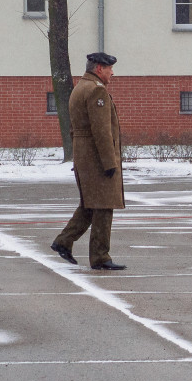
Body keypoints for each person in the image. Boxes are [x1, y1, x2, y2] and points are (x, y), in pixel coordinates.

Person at [51, 52, 126, 270]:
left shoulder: (80, 87)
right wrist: (109, 162)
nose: (112, 72)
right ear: (99, 68)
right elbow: (101, 131)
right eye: (109, 68)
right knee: (104, 205)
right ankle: (100, 257)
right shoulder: (96, 91)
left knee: (90, 205)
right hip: (96, 158)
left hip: (85, 155)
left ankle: (63, 241)